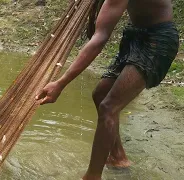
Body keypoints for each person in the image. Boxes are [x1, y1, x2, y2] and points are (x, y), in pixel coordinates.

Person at [35, 0, 179, 179]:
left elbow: (99, 39)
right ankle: (118, 157)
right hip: (134, 36)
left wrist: (61, 83)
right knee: (100, 95)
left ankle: (92, 176)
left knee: (109, 107)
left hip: (157, 42)